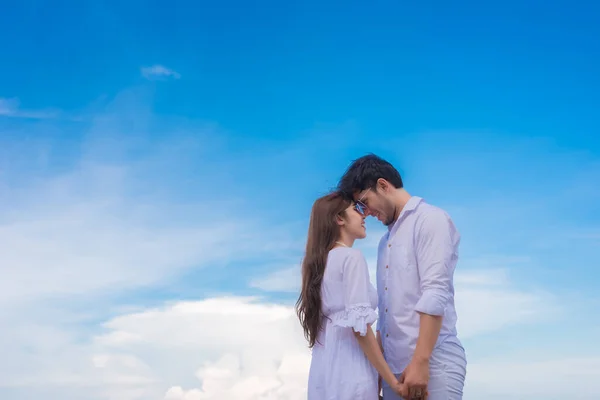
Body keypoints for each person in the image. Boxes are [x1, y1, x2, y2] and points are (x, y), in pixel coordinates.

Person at [337, 154, 467, 400]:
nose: (365, 213)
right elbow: (386, 316)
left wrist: (420, 361)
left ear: (383, 185)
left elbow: (435, 292)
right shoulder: (384, 243)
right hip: (394, 373)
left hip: (434, 364)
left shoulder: (430, 219)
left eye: (365, 202)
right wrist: (380, 372)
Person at [296, 191, 405, 399]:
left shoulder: (316, 265)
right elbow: (360, 330)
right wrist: (392, 381)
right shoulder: (351, 257)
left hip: (323, 375)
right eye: (357, 209)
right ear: (339, 218)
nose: (364, 215)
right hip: (352, 372)